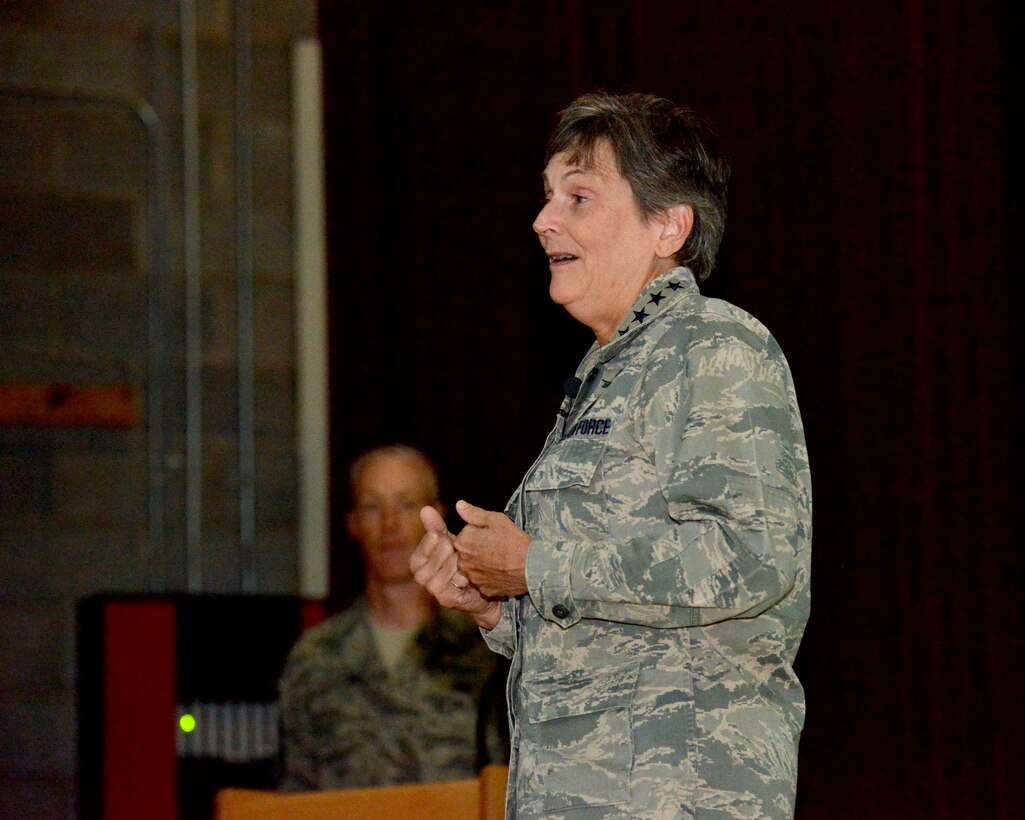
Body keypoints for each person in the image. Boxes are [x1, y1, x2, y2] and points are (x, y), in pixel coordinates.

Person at [410, 92, 812, 818]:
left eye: (579, 197)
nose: (543, 220)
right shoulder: (605, 377)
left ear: (668, 225)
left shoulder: (714, 346)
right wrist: (495, 608)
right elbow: (607, 634)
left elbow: (751, 556)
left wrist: (535, 564)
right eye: (546, 196)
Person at [277, 444, 503, 791]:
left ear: (436, 517)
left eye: (406, 505)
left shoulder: (484, 652)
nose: (389, 525)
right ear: (352, 523)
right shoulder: (315, 658)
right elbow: (295, 796)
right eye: (372, 507)